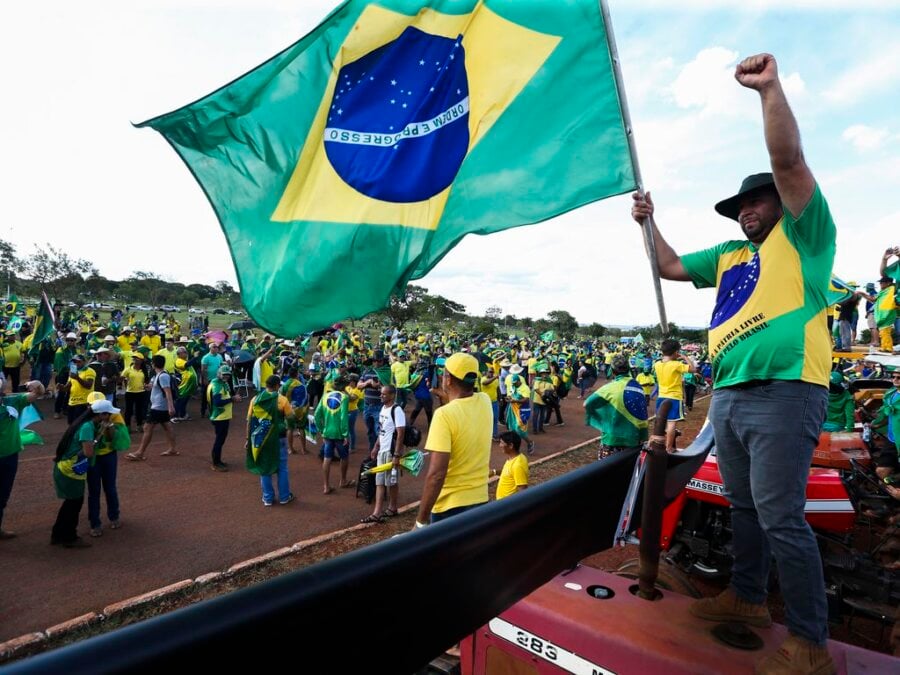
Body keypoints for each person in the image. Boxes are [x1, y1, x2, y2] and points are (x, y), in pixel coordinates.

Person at [632, 53, 836, 672]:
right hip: (730, 393)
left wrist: (769, 89)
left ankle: (810, 645)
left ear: (781, 202)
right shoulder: (726, 253)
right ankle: (747, 600)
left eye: (757, 201)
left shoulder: (804, 236)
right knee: (747, 508)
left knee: (780, 515)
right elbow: (667, 267)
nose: (746, 210)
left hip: (785, 390)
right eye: (739, 206)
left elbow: (789, 162)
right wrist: (649, 221)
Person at [413, 352, 492, 528]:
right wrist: (441, 394)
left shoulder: (443, 416)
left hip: (450, 507)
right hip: (480, 499)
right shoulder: (485, 401)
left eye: (444, 373)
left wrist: (420, 521)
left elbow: (436, 475)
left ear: (448, 379)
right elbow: (463, 405)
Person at [52, 400, 116, 548]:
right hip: (71, 470)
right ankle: (69, 537)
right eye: (108, 414)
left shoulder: (85, 423)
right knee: (74, 504)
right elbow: (88, 452)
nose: (110, 417)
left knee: (70, 503)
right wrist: (99, 436)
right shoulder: (88, 427)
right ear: (102, 415)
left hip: (67, 468)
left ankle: (58, 534)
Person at [0, 380, 45, 540]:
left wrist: (36, 383)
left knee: (3, 494)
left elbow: (38, 393)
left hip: (10, 455)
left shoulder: (12, 402)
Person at [584, 356, 648, 459]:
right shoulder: (638, 387)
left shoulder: (610, 388)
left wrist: (602, 420)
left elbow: (587, 404)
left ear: (612, 371)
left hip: (612, 440)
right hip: (635, 439)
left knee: (608, 472)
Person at [85, 395, 130, 537]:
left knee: (110, 487)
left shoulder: (113, 418)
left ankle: (114, 516)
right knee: (94, 490)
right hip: (93, 458)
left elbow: (113, 438)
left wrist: (109, 427)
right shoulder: (86, 423)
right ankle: (95, 522)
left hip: (109, 456)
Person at [246, 375, 294, 506]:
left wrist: (247, 439)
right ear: (277, 386)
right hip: (279, 436)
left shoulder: (255, 399)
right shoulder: (282, 400)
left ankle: (267, 498)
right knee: (282, 468)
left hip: (262, 438)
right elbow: (291, 418)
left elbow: (249, 421)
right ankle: (284, 497)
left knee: (264, 467)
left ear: (266, 385)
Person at [361, 385, 405, 523]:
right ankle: (378, 512)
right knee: (380, 481)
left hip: (391, 452)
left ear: (392, 395)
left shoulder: (397, 410)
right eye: (381, 394)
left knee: (391, 482)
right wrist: (375, 447)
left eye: (384, 394)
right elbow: (381, 430)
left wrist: (397, 455)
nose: (381, 396)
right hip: (382, 450)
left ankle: (391, 508)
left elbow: (400, 433)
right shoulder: (383, 408)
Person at [126, 355, 177, 460]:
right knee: (167, 427)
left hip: (158, 407)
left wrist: (171, 407)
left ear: (154, 364)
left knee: (147, 427)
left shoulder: (162, 376)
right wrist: (150, 387)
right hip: (160, 406)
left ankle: (140, 452)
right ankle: (172, 449)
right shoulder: (160, 375)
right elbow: (159, 388)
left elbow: (168, 392)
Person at [653, 338, 695, 452]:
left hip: (661, 396)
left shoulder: (657, 364)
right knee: (671, 424)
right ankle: (669, 447)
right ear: (676, 352)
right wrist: (686, 358)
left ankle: (657, 445)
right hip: (674, 397)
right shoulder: (677, 364)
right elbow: (693, 369)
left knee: (661, 423)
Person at [314, 378, 354, 494]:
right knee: (344, 457)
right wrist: (345, 434)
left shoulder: (325, 396)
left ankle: (326, 486)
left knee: (327, 458)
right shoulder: (344, 398)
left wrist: (321, 430)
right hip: (340, 434)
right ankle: (343, 480)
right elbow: (343, 417)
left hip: (327, 433)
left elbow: (317, 415)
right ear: (343, 387)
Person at [207, 364, 242, 471]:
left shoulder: (221, 383)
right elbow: (217, 402)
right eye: (224, 375)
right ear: (219, 374)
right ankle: (215, 463)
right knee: (219, 440)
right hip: (219, 417)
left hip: (222, 416)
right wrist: (232, 399)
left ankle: (218, 461)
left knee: (221, 439)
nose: (226, 377)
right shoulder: (217, 385)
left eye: (228, 375)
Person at [493, 431, 528, 500]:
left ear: (511, 446)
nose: (500, 445)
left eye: (502, 443)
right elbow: (509, 473)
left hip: (506, 506)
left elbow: (523, 491)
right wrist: (495, 472)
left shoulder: (518, 465)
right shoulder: (514, 458)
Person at [66, 353, 96, 423]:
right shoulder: (72, 371)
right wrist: (62, 387)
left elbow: (88, 386)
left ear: (84, 362)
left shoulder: (90, 371)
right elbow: (68, 387)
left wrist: (77, 378)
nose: (76, 363)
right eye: (74, 361)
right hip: (72, 402)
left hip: (84, 402)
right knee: (71, 423)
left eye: (78, 361)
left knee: (80, 424)